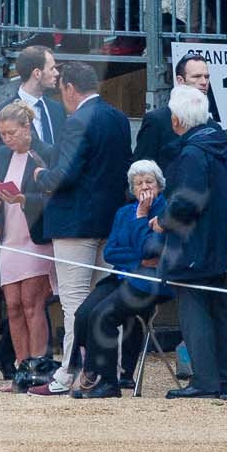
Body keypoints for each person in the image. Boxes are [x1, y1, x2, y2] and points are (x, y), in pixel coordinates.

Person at [30, 60, 132, 394]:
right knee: (103, 303)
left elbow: (65, 175)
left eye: (62, 90)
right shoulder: (116, 117)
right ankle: (107, 370)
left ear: (70, 88)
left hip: (76, 223)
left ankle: (68, 373)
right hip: (108, 219)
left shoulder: (77, 121)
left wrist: (40, 177)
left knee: (74, 302)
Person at [159, 84, 227, 398]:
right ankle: (223, 377)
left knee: (195, 314)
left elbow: (187, 203)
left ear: (179, 119)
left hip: (193, 244)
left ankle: (205, 380)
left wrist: (164, 219)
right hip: (216, 241)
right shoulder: (217, 143)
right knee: (217, 310)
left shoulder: (192, 152)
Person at [68, 161, 169, 397]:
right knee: (83, 314)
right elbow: (111, 252)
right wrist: (137, 260)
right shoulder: (124, 212)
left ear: (159, 186)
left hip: (148, 283)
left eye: (149, 182)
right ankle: (89, 372)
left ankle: (108, 382)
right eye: (138, 183)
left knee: (103, 315)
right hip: (122, 275)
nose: (144, 187)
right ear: (132, 189)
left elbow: (151, 251)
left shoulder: (165, 213)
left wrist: (142, 217)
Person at [0, 102, 55, 391]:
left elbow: (53, 197)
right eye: (2, 134)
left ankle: (38, 371)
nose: (6, 139)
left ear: (27, 128)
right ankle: (20, 372)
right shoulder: (2, 155)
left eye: (12, 133)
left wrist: (25, 200)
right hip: (10, 238)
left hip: (34, 238)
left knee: (32, 304)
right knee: (12, 306)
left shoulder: (46, 153)